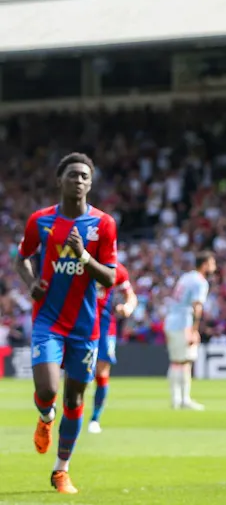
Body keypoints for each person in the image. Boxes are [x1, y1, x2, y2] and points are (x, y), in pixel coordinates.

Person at [14, 152, 118, 494]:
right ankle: (45, 418)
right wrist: (31, 284)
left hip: (85, 328)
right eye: (73, 175)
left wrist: (84, 256)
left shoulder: (103, 225)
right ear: (60, 181)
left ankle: (61, 470)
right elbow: (23, 258)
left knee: (74, 400)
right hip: (48, 320)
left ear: (91, 183)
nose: (79, 181)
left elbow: (111, 277)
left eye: (85, 176)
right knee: (47, 390)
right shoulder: (40, 221)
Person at [87, 262, 137, 433]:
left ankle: (95, 418)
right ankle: (72, 415)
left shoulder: (117, 269)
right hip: (80, 325)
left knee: (102, 372)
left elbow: (130, 295)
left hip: (105, 327)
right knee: (78, 374)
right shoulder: (79, 262)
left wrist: (128, 307)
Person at [165, 251, 216, 410]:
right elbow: (197, 307)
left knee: (176, 361)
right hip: (183, 322)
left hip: (171, 320)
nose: (214, 266)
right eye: (212, 263)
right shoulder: (200, 282)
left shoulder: (186, 277)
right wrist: (194, 330)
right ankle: (183, 399)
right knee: (185, 361)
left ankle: (176, 399)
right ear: (205, 264)